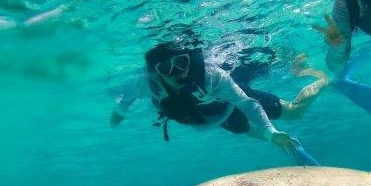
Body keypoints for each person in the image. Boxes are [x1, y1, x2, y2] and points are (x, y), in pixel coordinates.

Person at [110, 42, 328, 163]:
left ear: (189, 60)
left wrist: (271, 131)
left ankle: (323, 81)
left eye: (182, 62)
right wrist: (118, 115)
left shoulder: (212, 76)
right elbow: (125, 99)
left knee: (295, 113)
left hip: (230, 96)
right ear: (155, 72)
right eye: (166, 68)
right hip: (212, 116)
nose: (177, 72)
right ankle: (282, 142)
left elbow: (247, 104)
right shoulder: (146, 84)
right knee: (249, 131)